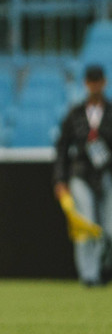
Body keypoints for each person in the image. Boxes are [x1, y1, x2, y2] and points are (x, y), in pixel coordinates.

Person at [54, 65, 112, 287]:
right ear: (86, 83)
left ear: (103, 83)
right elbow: (62, 149)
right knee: (86, 224)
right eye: (91, 81)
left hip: (106, 173)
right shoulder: (75, 113)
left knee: (109, 227)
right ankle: (90, 276)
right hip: (80, 174)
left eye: (98, 81)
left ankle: (102, 268)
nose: (95, 86)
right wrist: (60, 180)